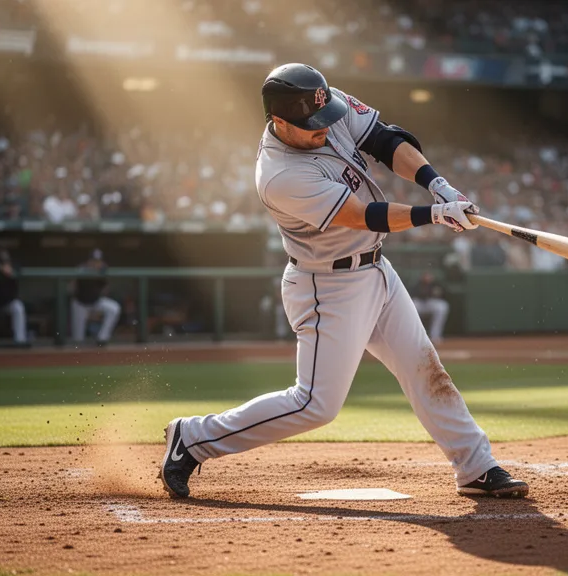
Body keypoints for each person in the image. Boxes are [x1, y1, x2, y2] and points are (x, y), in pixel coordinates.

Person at [160, 63, 528, 500]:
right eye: (311, 126)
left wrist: (437, 184)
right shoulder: (280, 176)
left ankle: (475, 465)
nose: (325, 128)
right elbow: (360, 216)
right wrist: (433, 214)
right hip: (327, 287)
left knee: (422, 365)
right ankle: (193, 438)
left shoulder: (322, 103)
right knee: (315, 404)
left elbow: (386, 140)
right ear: (279, 122)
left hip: (376, 271)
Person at [69, 249, 120, 346]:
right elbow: (71, 288)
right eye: (93, 261)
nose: (96, 263)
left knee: (114, 308)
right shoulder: (81, 269)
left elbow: (105, 289)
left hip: (95, 303)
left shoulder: (102, 271)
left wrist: (96, 311)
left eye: (98, 261)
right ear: (88, 261)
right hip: (80, 304)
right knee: (78, 340)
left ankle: (102, 338)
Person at [412, 271, 450, 343]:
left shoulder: (436, 285)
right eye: (426, 276)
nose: (427, 278)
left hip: (431, 303)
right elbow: (412, 295)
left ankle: (435, 336)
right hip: (420, 304)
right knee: (412, 306)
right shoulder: (417, 284)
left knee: (442, 306)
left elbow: (444, 294)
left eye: (429, 276)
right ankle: (413, 336)